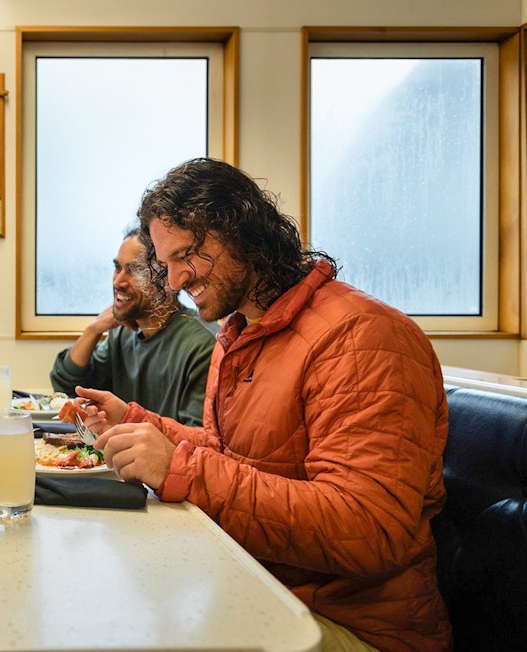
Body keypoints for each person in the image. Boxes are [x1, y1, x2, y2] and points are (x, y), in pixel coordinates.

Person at [80, 159, 452, 652]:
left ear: (241, 231)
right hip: (265, 589)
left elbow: (371, 528)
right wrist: (135, 422)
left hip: (351, 625)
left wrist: (183, 469)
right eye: (165, 264)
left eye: (187, 255)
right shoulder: (241, 332)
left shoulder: (361, 336)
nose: (172, 282)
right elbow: (230, 454)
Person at [49, 228, 215, 425]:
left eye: (134, 271)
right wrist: (92, 331)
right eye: (118, 268)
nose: (118, 281)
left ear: (168, 278)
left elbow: (199, 438)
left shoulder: (202, 345)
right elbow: (67, 388)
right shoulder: (122, 334)